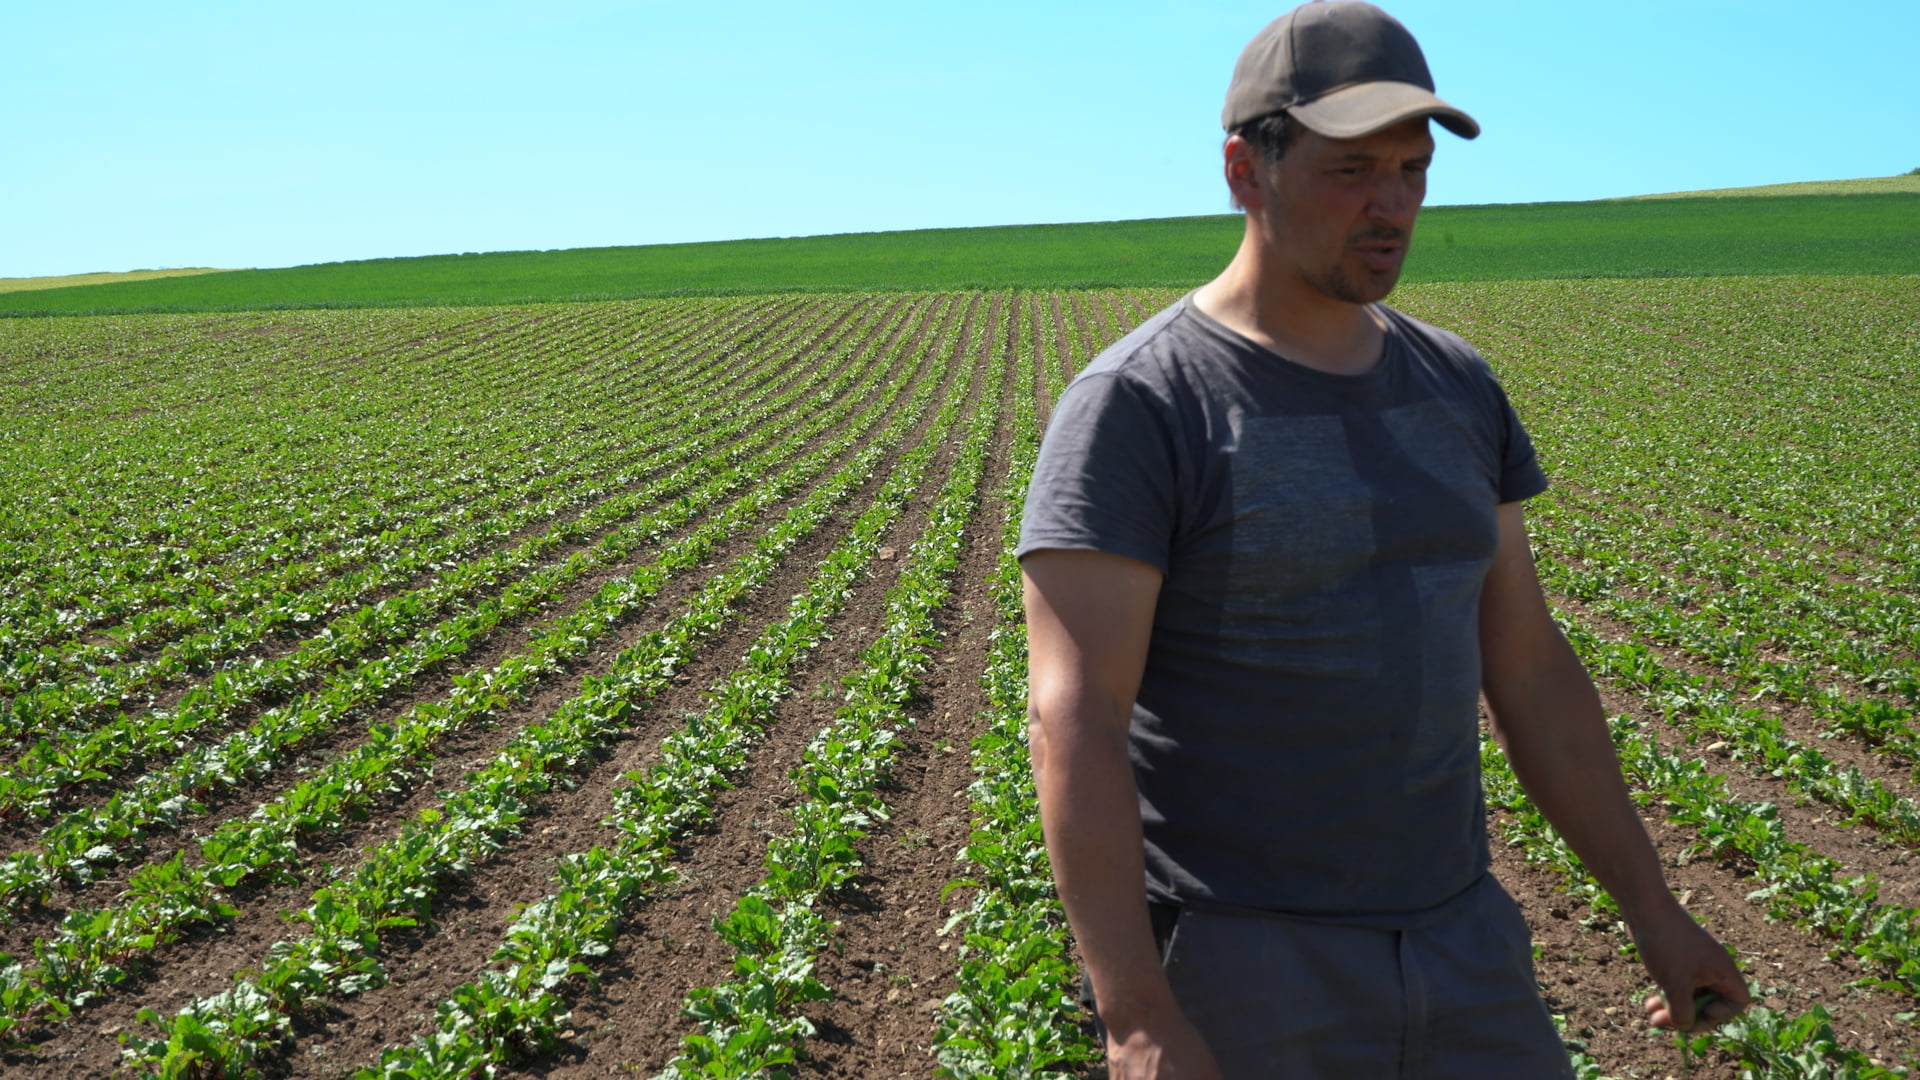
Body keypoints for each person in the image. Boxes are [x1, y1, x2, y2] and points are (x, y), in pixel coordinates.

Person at [1015, 3, 1750, 1076]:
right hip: (1242, 959)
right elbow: (1074, 718)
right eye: (1352, 170)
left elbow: (1532, 669)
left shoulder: (1457, 384)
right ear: (1243, 169)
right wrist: (1135, 1012)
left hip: (1464, 941)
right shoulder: (1141, 405)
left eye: (1411, 171)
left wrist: (1654, 907)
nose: (1392, 206)